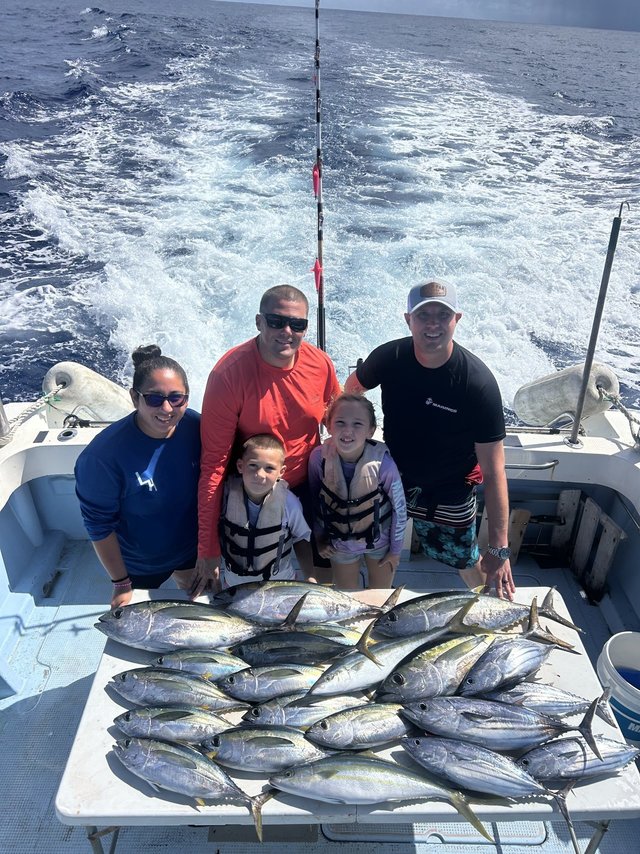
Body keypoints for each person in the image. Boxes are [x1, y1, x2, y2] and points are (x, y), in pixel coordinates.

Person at [344, 277, 515, 600]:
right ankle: (376, 608)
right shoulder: (388, 357)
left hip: (449, 492)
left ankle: (491, 607)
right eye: (423, 315)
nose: (433, 325)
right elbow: (349, 391)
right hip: (391, 480)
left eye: (442, 315)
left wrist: (499, 547)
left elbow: (494, 473)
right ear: (408, 320)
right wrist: (354, 439)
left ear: (457, 320)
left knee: (466, 562)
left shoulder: (477, 384)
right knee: (378, 547)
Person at [197, 284, 341, 593]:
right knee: (254, 576)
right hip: (255, 488)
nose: (287, 331)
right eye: (276, 321)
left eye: (297, 324)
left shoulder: (321, 364)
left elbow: (338, 426)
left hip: (309, 485)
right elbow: (214, 465)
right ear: (259, 322)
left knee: (324, 568)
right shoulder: (228, 375)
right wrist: (207, 550)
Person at [75, 345, 203, 608]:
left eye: (176, 398)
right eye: (154, 398)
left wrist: (210, 553)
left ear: (187, 399)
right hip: (141, 565)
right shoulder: (102, 457)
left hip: (192, 551)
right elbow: (99, 525)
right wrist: (121, 583)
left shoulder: (197, 428)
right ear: (135, 398)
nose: (167, 408)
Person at [308, 394, 407, 590]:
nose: (347, 430)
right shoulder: (318, 458)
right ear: (328, 426)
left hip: (380, 543)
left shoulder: (384, 465)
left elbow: (400, 510)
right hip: (339, 545)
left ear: (371, 431)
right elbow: (314, 501)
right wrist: (320, 538)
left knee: (381, 597)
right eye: (340, 422)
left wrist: (395, 551)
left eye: (357, 424)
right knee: (347, 597)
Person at [219, 433, 311, 587]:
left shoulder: (289, 503)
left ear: (281, 472)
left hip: (279, 585)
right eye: (253, 465)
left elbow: (301, 537)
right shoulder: (225, 497)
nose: (260, 475)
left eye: (269, 468)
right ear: (240, 466)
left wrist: (310, 576)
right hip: (234, 586)